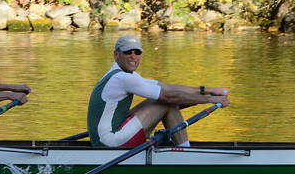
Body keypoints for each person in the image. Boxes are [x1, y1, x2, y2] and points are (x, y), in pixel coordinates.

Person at [87, 35, 229, 148]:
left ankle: (183, 149)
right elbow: (168, 96)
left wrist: (208, 90)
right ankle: (184, 152)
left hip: (108, 136)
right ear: (116, 54)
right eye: (127, 52)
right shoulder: (122, 78)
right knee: (166, 101)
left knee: (164, 99)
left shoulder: (122, 75)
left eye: (137, 52)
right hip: (110, 142)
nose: (133, 56)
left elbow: (166, 88)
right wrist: (212, 100)